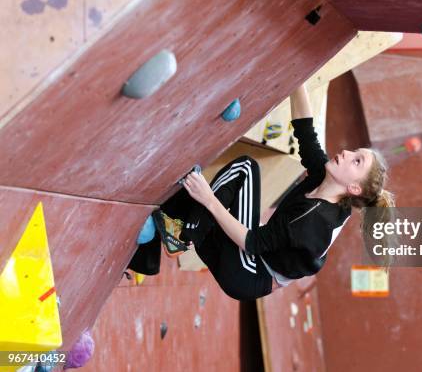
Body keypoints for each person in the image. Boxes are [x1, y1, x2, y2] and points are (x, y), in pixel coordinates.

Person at [128, 84, 394, 300]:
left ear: (354, 188)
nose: (347, 153)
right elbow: (305, 131)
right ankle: (153, 254)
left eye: (356, 162)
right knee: (187, 190)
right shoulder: (325, 179)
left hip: (248, 273)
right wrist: (298, 75)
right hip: (250, 254)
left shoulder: (315, 223)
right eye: (356, 152)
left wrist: (209, 200)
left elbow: (251, 242)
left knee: (240, 172)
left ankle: (185, 234)